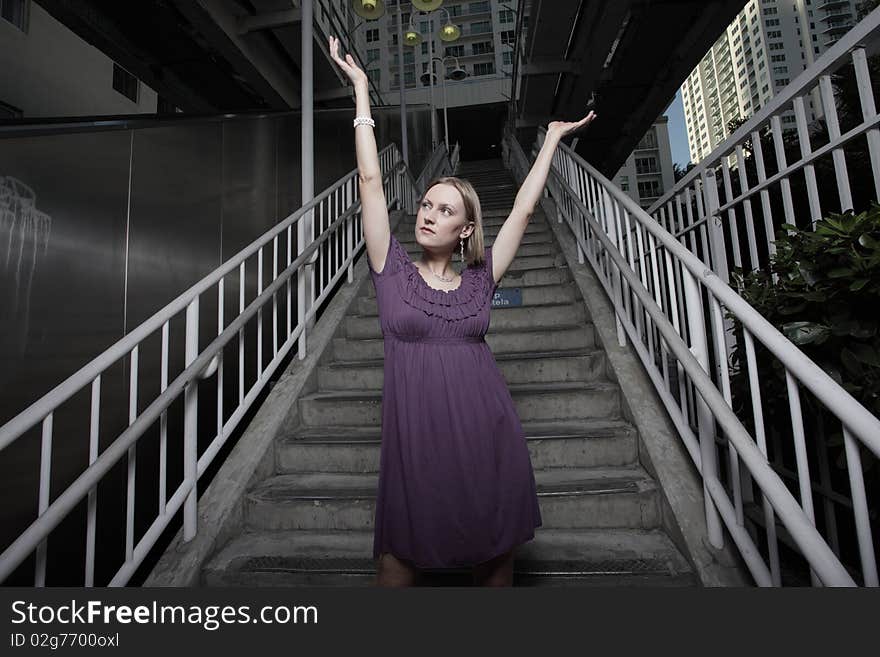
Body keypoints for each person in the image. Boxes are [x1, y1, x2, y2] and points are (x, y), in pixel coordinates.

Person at [328, 35, 597, 587]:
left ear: (466, 229)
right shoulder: (391, 269)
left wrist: (549, 140)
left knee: (494, 551)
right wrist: (361, 94)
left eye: (444, 209)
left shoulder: (481, 280)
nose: (428, 213)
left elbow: (524, 206)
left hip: (485, 427)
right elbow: (372, 183)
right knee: (399, 554)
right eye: (427, 203)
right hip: (415, 434)